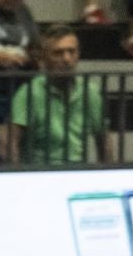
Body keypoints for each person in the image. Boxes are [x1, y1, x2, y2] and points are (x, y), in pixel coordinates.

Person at [6, 25, 109, 165]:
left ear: (78, 54)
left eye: (71, 51)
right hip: (39, 172)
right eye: (58, 53)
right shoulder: (28, 93)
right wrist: (19, 175)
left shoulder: (90, 91)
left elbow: (104, 141)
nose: (66, 59)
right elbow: (10, 142)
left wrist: (106, 175)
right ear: (43, 57)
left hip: (78, 172)